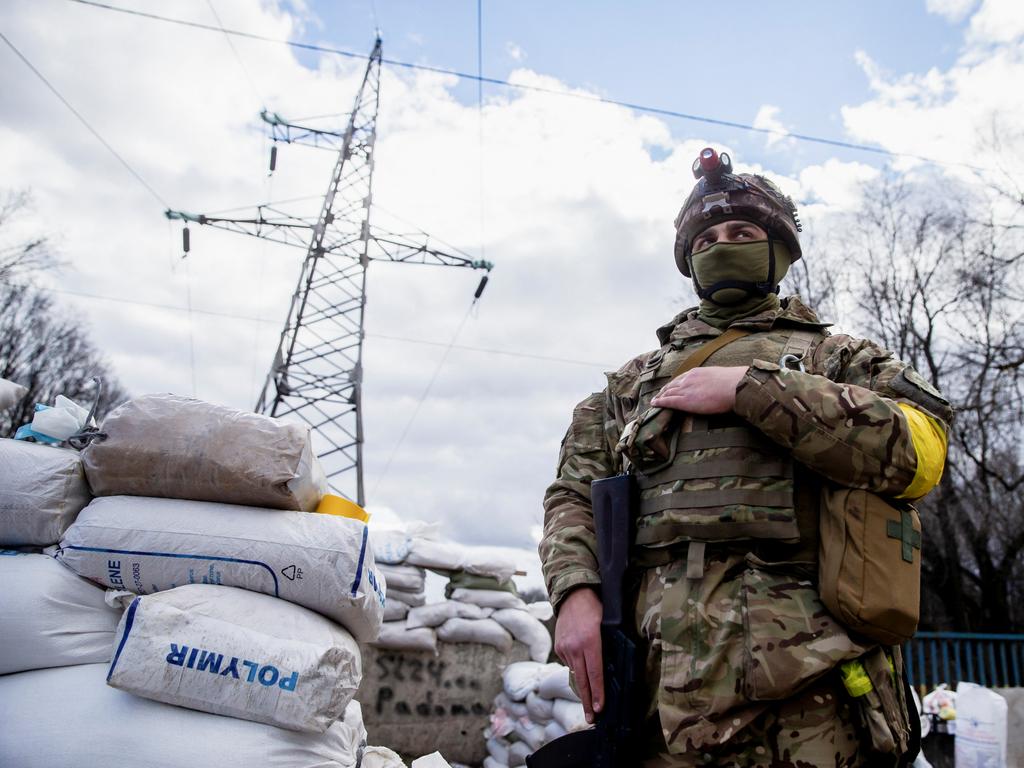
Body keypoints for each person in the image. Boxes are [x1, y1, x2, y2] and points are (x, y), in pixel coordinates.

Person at [539, 148, 951, 767]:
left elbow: (921, 452)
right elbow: (572, 495)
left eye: (741, 233)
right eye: (704, 239)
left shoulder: (840, 360)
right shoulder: (630, 386)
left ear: (779, 250)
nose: (720, 245)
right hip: (658, 683)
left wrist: (755, 391)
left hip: (809, 686)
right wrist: (574, 594)